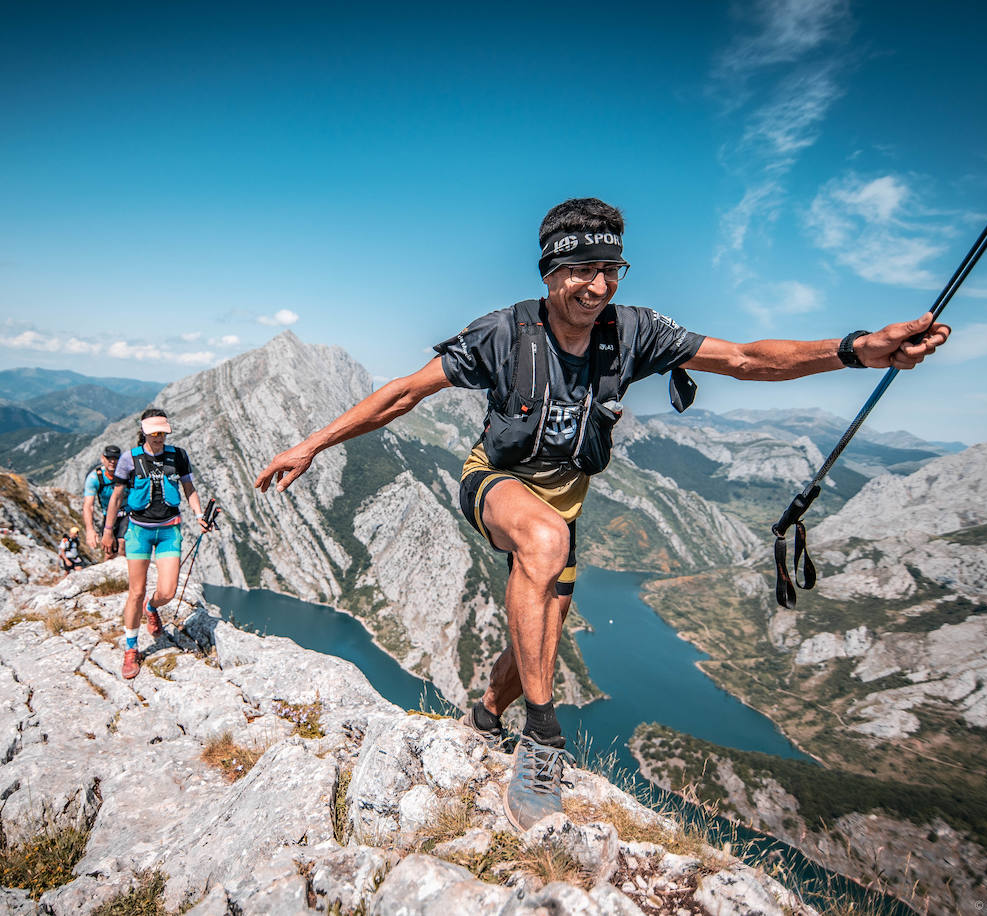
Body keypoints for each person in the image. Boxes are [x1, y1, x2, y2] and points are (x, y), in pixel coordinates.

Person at [254, 197, 950, 831]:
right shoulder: (502, 333)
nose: (597, 285)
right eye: (581, 270)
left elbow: (743, 359)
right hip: (495, 480)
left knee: (544, 633)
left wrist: (857, 350)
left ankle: (487, 713)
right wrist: (312, 445)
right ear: (550, 272)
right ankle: (542, 741)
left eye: (610, 268)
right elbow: (405, 393)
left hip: (568, 495)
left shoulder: (635, 332)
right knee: (545, 539)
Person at [102, 409, 213, 680]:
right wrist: (107, 530)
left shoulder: (178, 456)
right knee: (135, 591)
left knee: (168, 591)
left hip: (169, 530)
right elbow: (117, 497)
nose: (159, 437)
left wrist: (199, 515)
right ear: (145, 432)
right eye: (154, 433)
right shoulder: (129, 459)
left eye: (163, 432)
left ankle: (152, 609)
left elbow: (189, 488)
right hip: (139, 530)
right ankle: (131, 648)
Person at [83, 445, 127, 557]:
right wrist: (90, 530)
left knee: (123, 543)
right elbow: (88, 506)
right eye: (109, 458)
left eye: (116, 458)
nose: (112, 461)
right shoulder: (94, 478)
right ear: (103, 458)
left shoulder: (127, 474)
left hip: (127, 514)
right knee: (108, 550)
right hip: (108, 516)